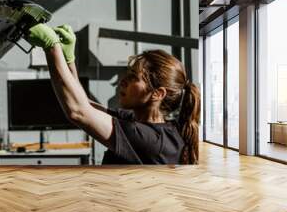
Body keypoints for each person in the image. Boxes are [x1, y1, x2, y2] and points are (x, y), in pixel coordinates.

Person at [26, 23, 200, 164]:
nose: (123, 80)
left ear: (157, 94)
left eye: (133, 77)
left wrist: (51, 48)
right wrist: (68, 59)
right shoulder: (138, 120)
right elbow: (84, 104)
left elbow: (78, 112)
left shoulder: (150, 140)